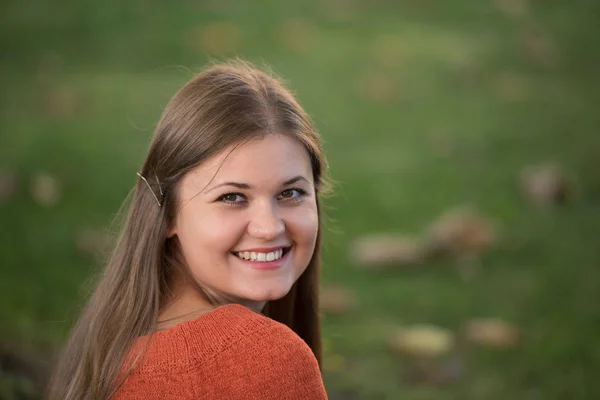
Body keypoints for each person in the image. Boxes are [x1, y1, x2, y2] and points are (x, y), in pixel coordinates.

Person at [47, 60, 330, 400]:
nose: (269, 227)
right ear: (167, 215)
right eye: (233, 197)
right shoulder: (264, 359)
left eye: (291, 193)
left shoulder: (107, 355)